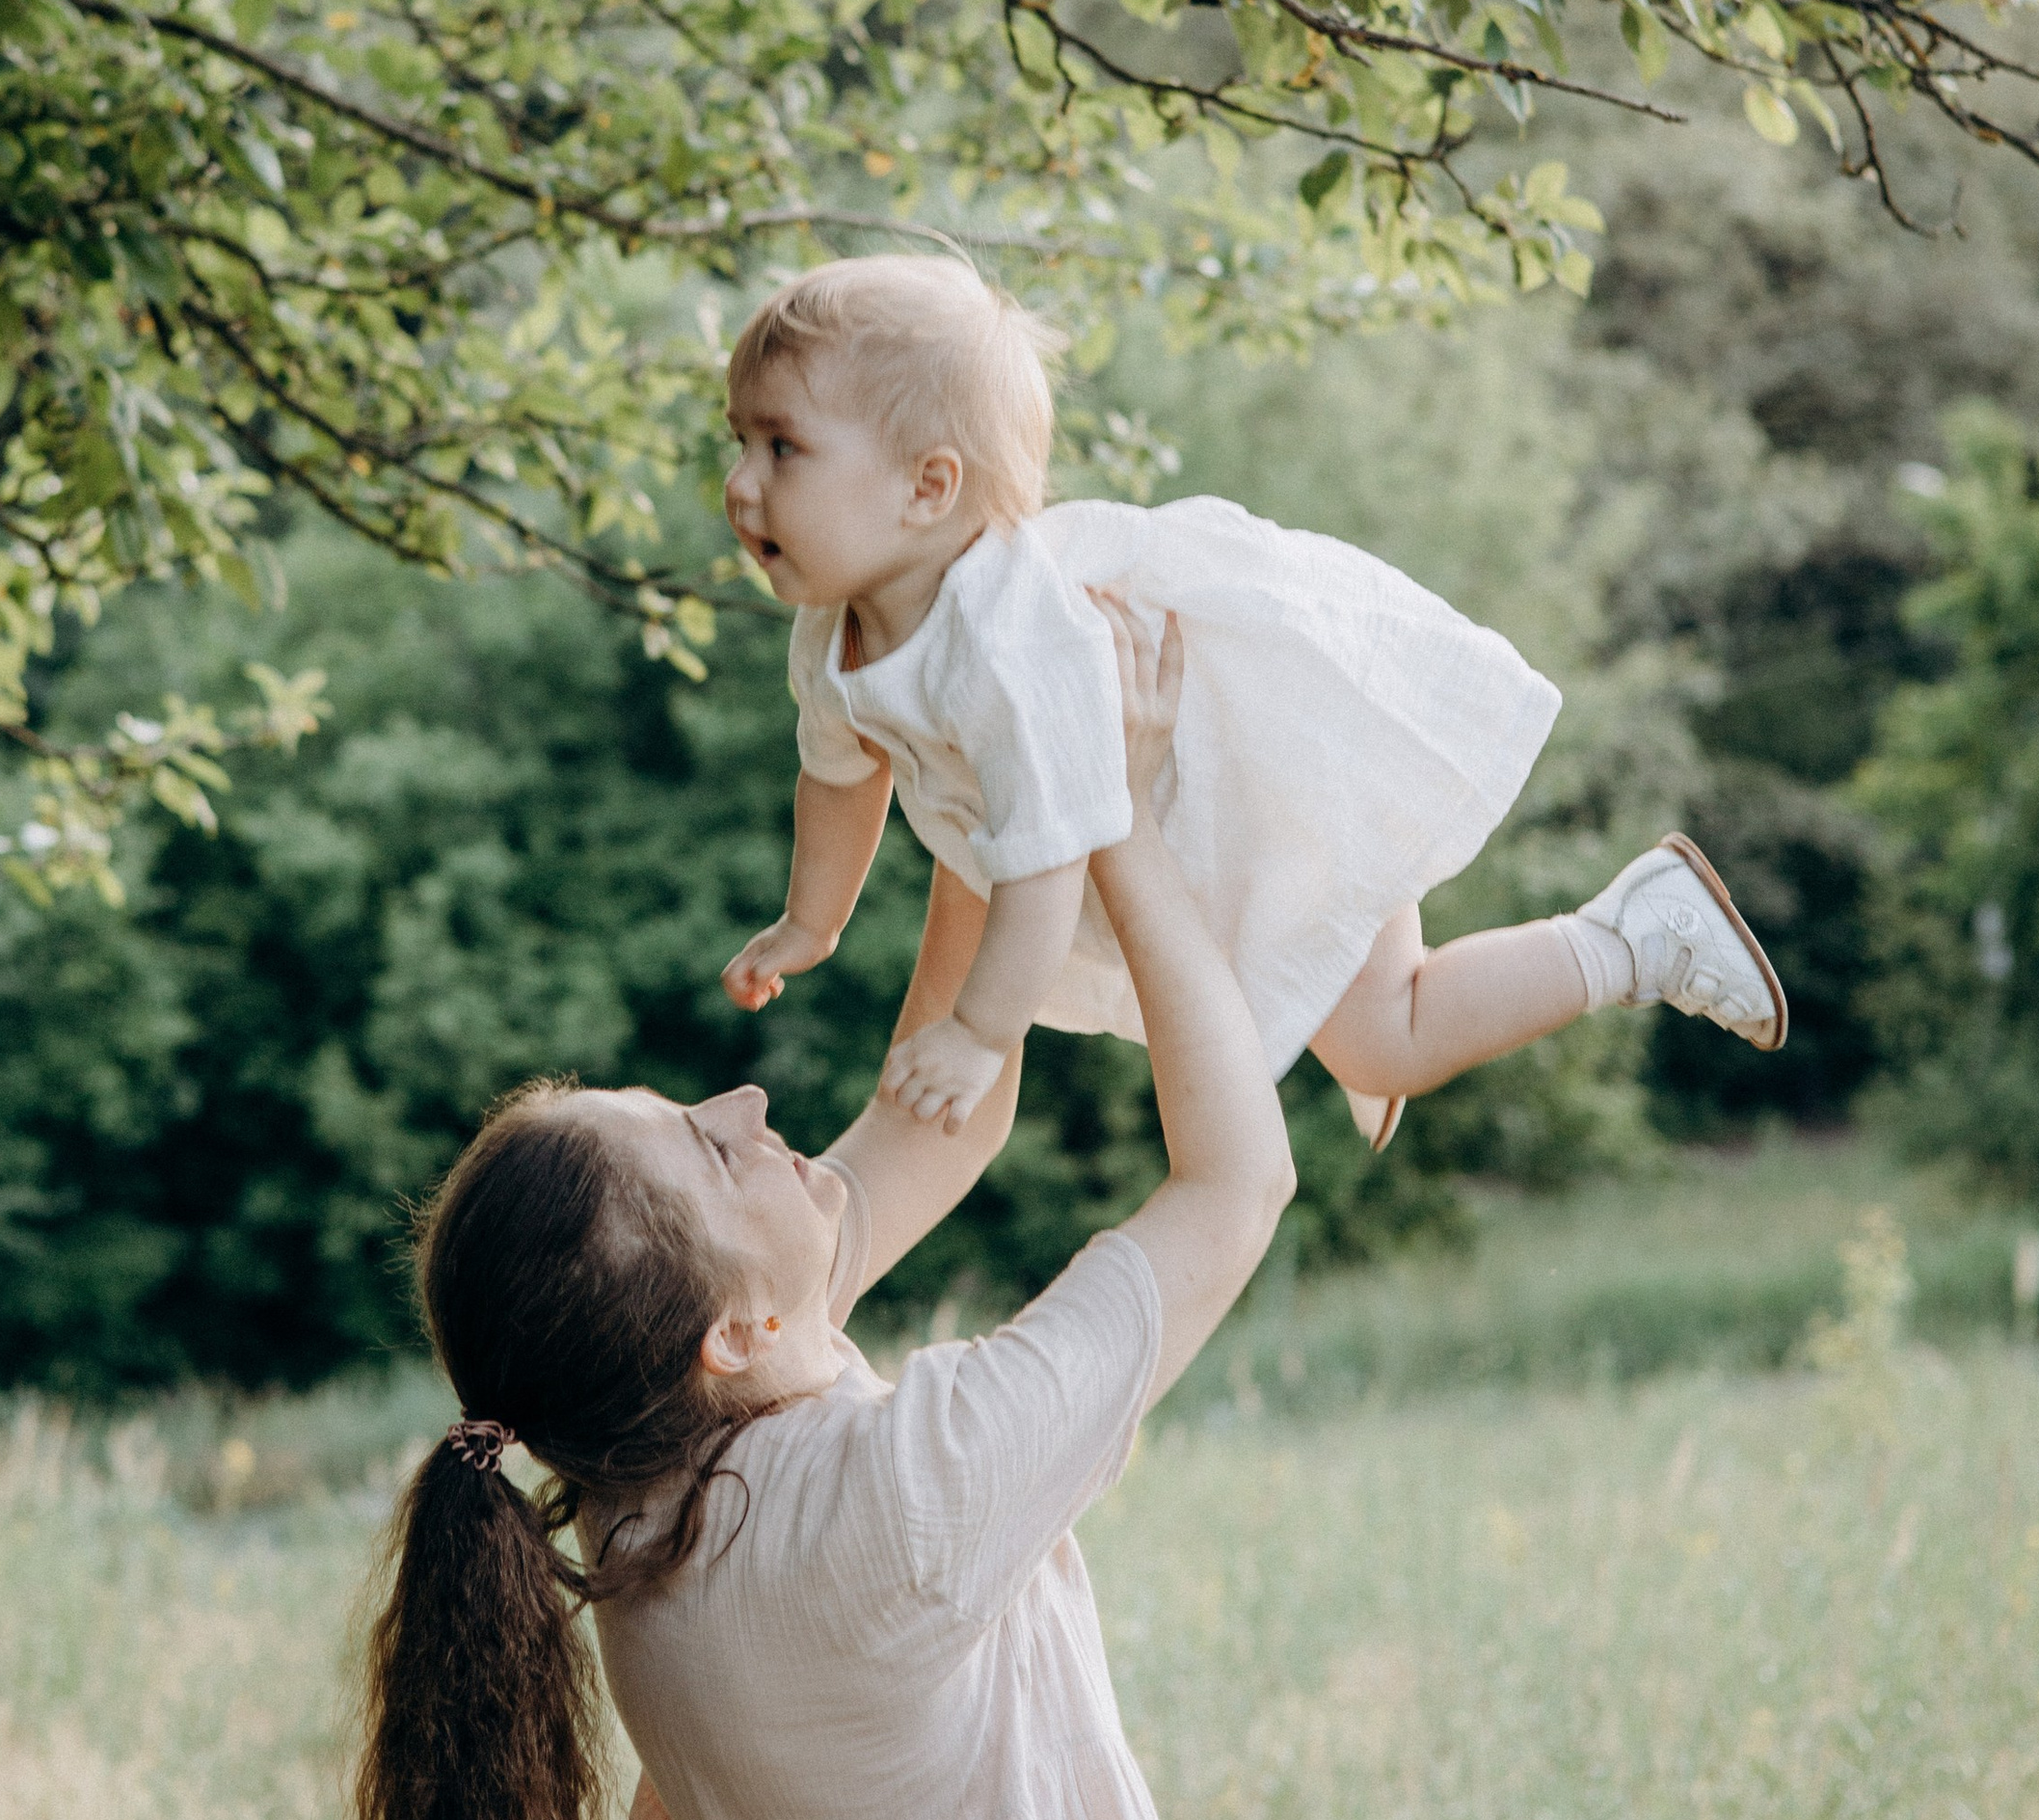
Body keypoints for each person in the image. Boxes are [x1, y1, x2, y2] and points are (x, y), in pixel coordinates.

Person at [348, 604, 1318, 1820]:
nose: (746, 1098)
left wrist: (985, 790)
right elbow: (1236, 1178)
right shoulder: (903, 1491)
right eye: (713, 1148)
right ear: (736, 1325)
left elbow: (937, 1114)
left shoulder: (645, 1480)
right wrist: (1100, 809)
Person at [718, 252, 1784, 1152]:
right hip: (1204, 841)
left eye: (782, 447)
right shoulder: (837, 625)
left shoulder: (1007, 644)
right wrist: (811, 921)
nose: (741, 483)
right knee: (1350, 1014)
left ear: (928, 488)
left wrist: (981, 1035)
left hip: (1261, 795)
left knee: (1385, 1037)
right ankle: (1363, 979)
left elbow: (1042, 868)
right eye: (739, 441)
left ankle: (1636, 934)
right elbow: (837, 773)